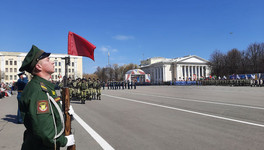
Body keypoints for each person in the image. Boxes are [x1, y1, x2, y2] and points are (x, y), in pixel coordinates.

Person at [19, 45, 75, 150]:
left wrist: (63, 111)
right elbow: (44, 132)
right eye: (48, 60)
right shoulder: (38, 90)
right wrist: (64, 141)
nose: (53, 62)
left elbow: (50, 115)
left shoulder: (44, 86)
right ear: (39, 67)